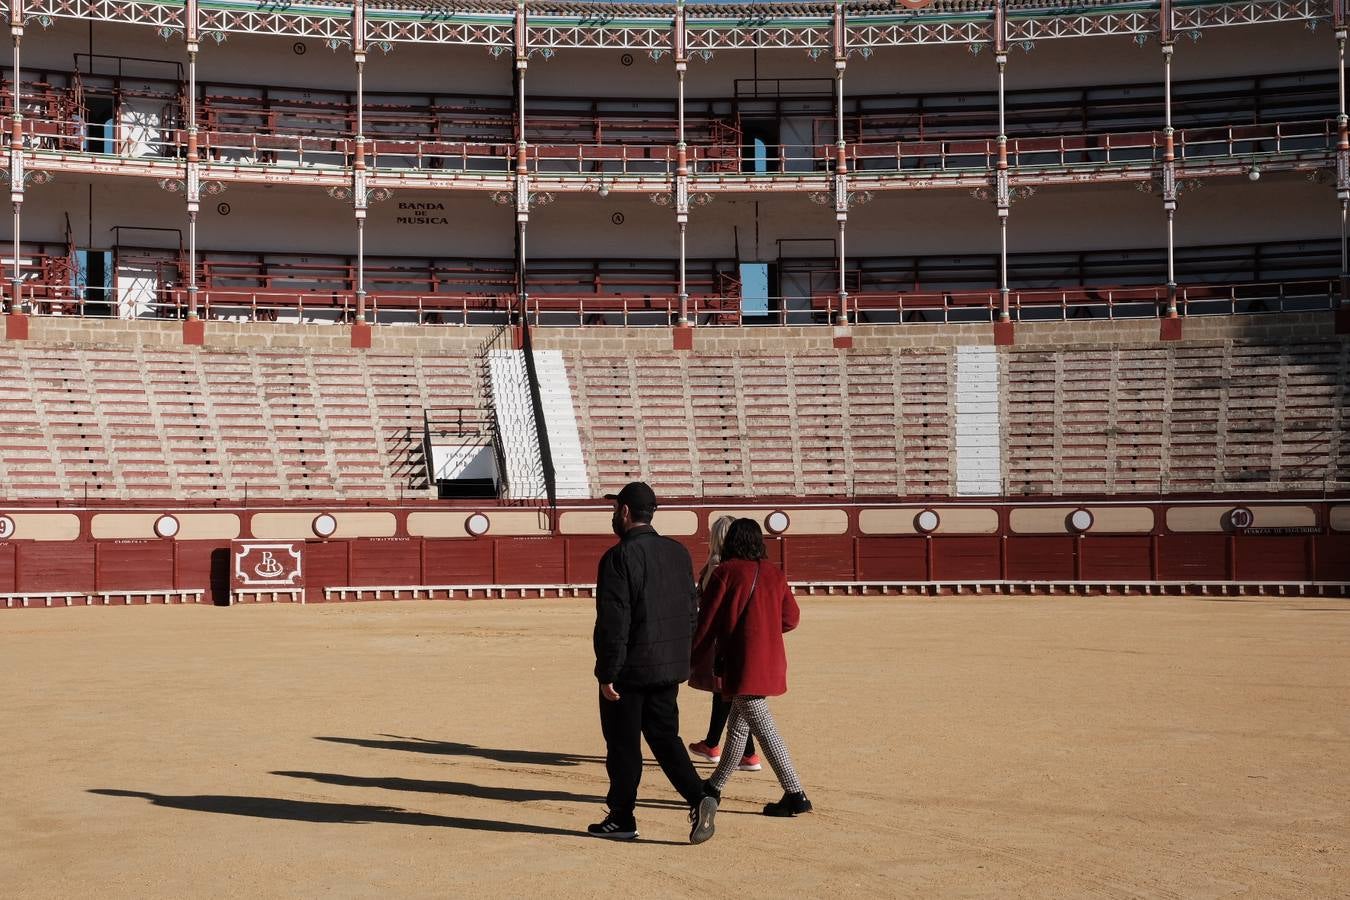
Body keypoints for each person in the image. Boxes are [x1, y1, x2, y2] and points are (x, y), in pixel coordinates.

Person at [591, 481, 718, 843]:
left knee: (623, 745)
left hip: (630, 669)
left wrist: (608, 671)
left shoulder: (618, 557)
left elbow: (615, 621)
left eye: (615, 509)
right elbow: (690, 614)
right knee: (665, 738)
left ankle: (622, 817)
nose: (614, 516)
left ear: (626, 512)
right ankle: (700, 795)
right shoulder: (678, 553)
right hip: (668, 666)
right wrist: (682, 659)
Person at [690, 518, 812, 817]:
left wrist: (689, 659)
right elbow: (791, 618)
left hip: (741, 663)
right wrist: (764, 630)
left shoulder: (725, 572)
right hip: (770, 659)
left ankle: (795, 793)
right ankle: (715, 786)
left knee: (765, 728)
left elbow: (707, 624)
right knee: (738, 727)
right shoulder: (774, 573)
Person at [687, 515, 761, 772]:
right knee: (726, 693)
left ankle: (739, 752)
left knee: (727, 692)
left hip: (720, 638)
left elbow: (708, 607)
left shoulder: (719, 567)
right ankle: (720, 746)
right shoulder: (742, 567)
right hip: (734, 637)